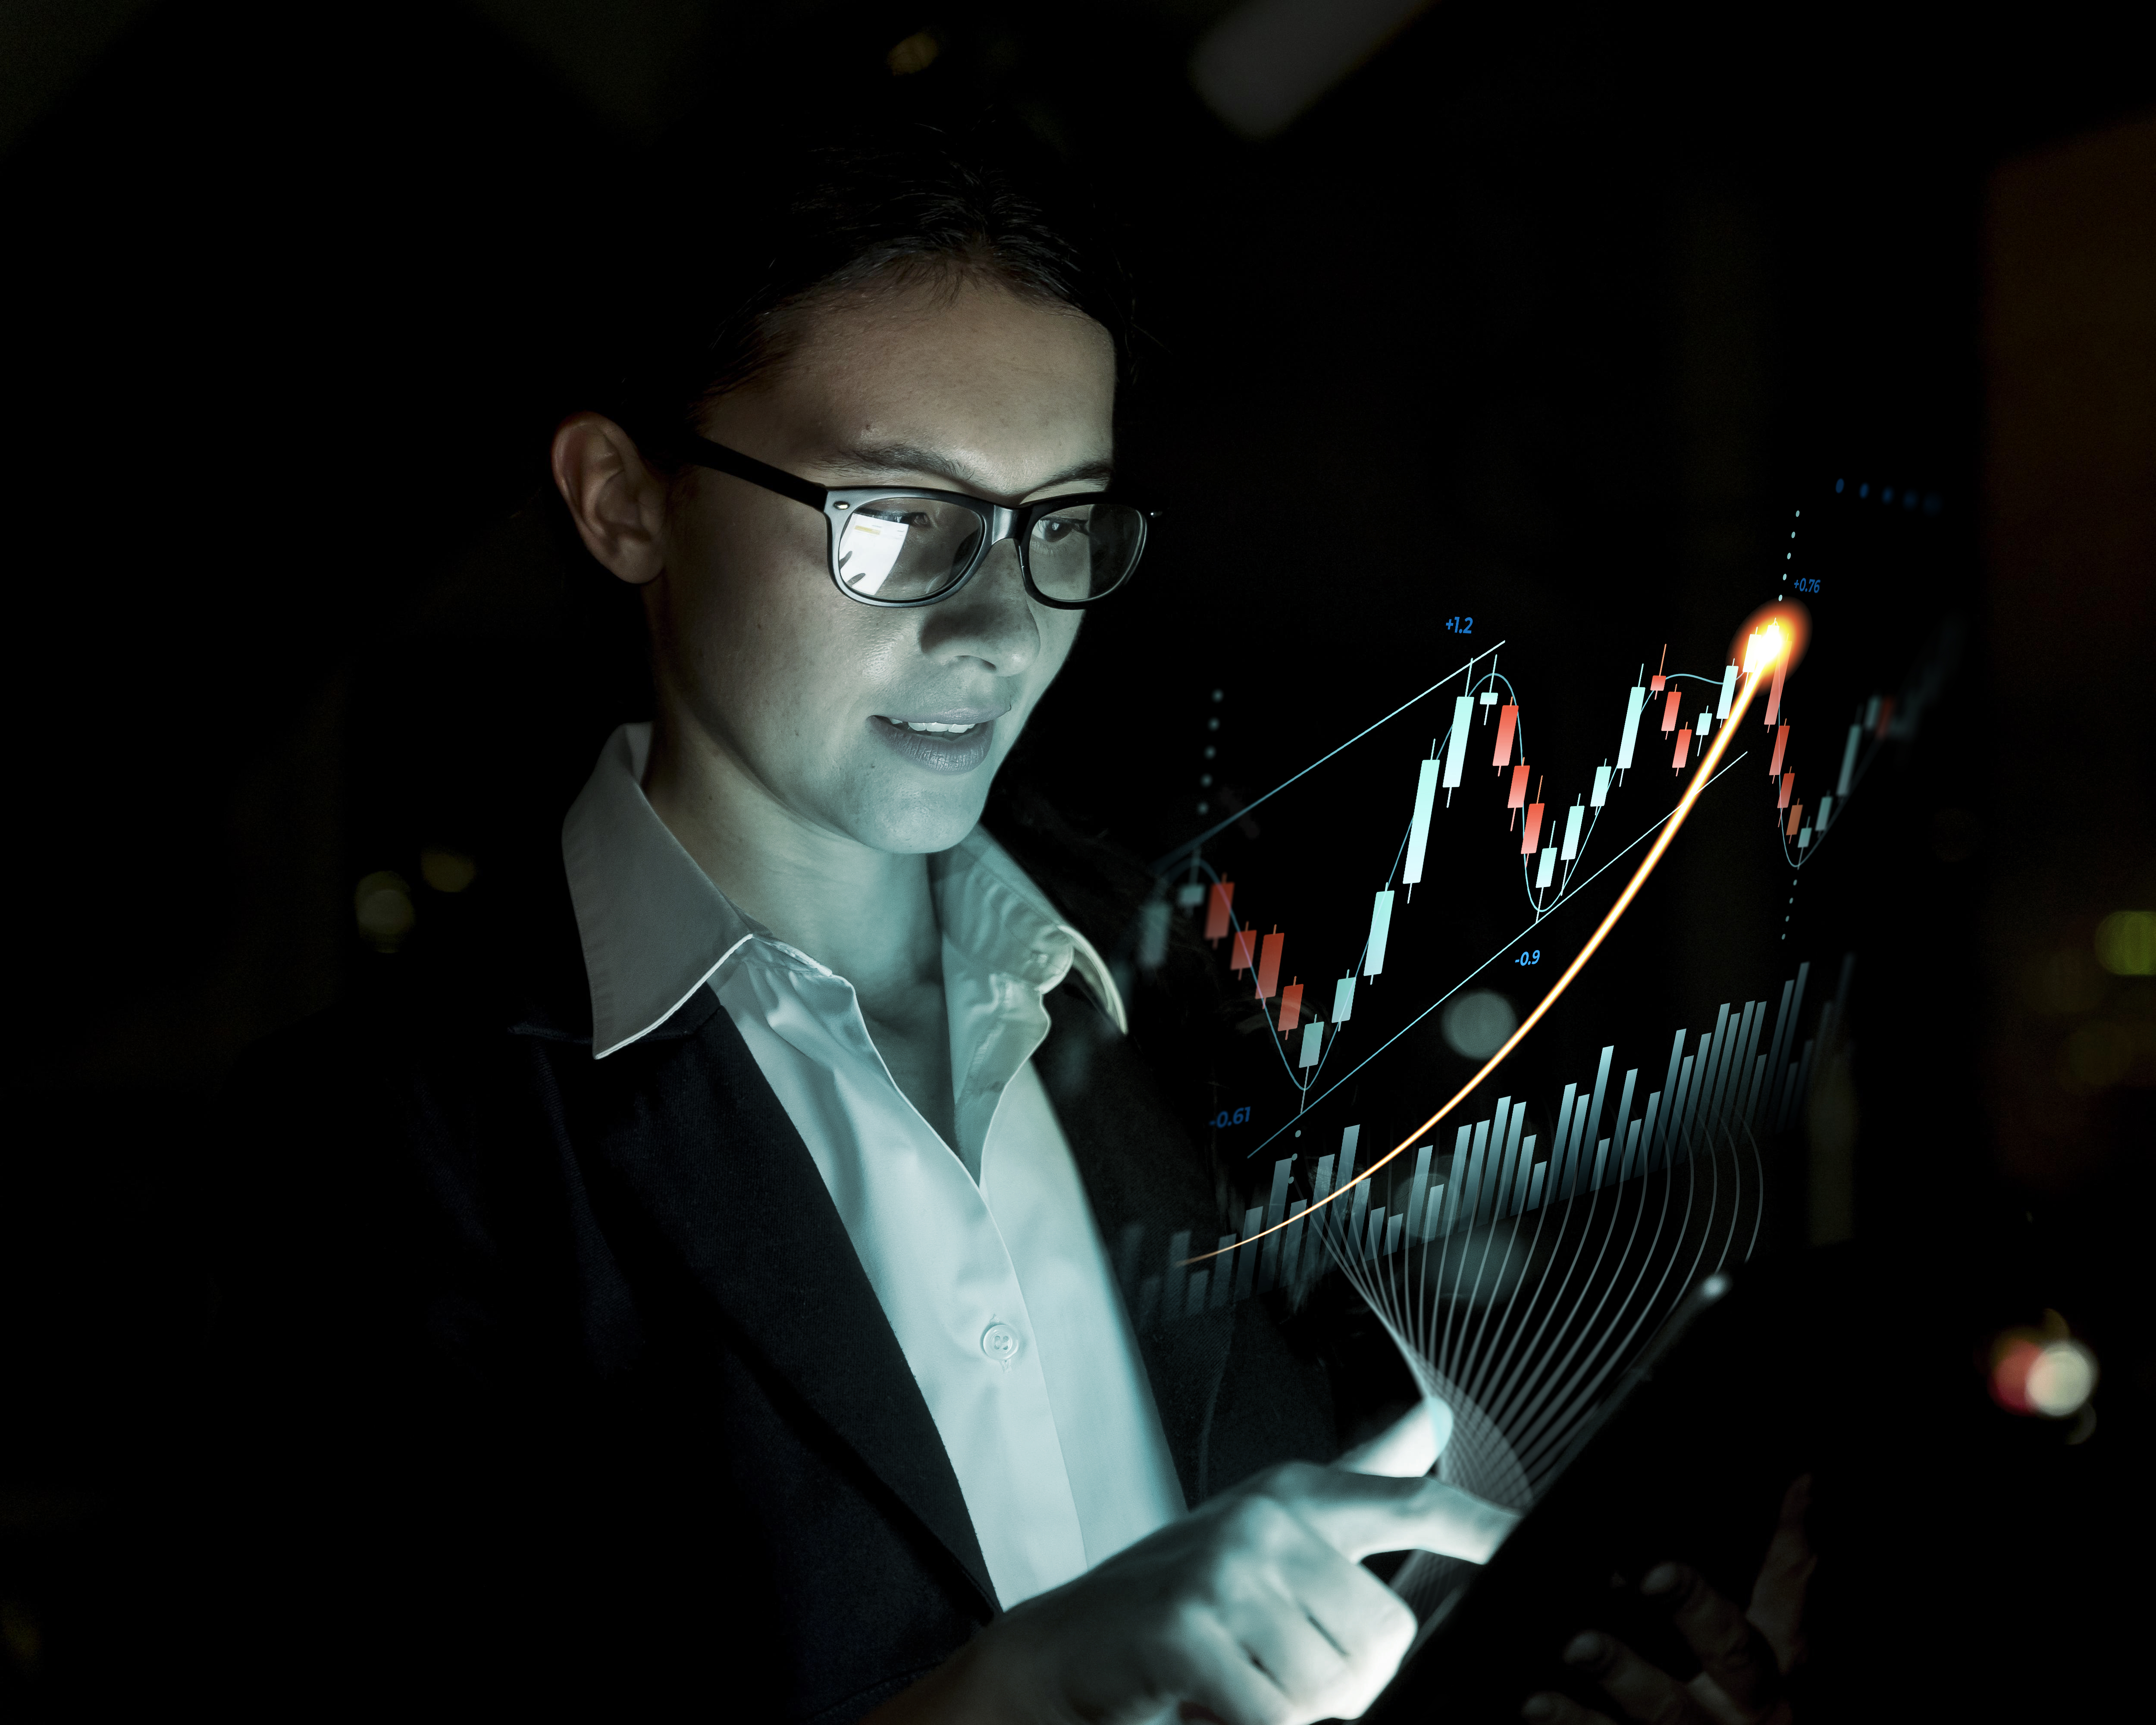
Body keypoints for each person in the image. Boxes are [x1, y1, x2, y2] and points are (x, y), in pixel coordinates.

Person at [216, 123, 1812, 1724]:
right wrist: (1022, 1689)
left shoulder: (1199, 1021)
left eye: (1063, 521)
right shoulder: (377, 1159)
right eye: (901, 519)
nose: (999, 626)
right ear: (625, 502)